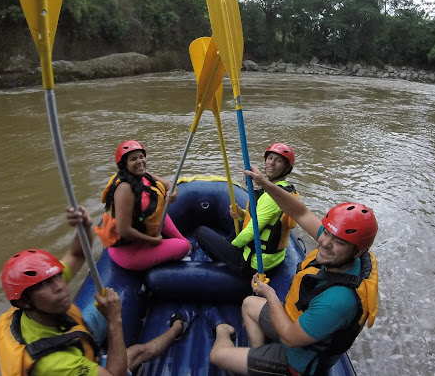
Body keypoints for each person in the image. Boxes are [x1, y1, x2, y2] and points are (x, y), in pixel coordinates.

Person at [207, 166, 379, 376]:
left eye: (339, 242)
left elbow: (289, 337)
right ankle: (257, 356)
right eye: (326, 232)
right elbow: (300, 211)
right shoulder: (350, 252)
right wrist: (266, 184)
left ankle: (223, 331)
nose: (324, 243)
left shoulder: (338, 300)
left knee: (217, 356)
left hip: (298, 361)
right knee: (248, 303)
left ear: (357, 250)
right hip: (296, 322)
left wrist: (268, 293)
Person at [0, 205, 193, 376]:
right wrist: (114, 320)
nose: (60, 287)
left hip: (63, 332)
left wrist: (84, 226)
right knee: (135, 353)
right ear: (23, 302)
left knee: (103, 304)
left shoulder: (32, 303)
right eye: (45, 285)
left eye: (56, 277)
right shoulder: (54, 364)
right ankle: (178, 327)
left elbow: (77, 253)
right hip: (62, 356)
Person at [194, 143, 299, 277]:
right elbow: (267, 221)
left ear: (286, 168)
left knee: (200, 231)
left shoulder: (272, 198)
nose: (271, 163)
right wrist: (242, 214)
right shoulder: (285, 190)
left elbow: (251, 232)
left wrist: (228, 248)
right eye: (270, 158)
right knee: (238, 223)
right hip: (272, 257)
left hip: (254, 263)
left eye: (279, 161)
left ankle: (221, 262)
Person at [94, 140, 191, 271]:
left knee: (182, 239)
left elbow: (169, 184)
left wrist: (173, 194)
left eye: (141, 157)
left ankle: (181, 243)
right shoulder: (124, 188)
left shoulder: (144, 175)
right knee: (183, 247)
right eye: (133, 159)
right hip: (129, 251)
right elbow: (124, 230)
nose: (140, 161)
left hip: (143, 228)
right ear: (124, 164)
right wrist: (153, 241)